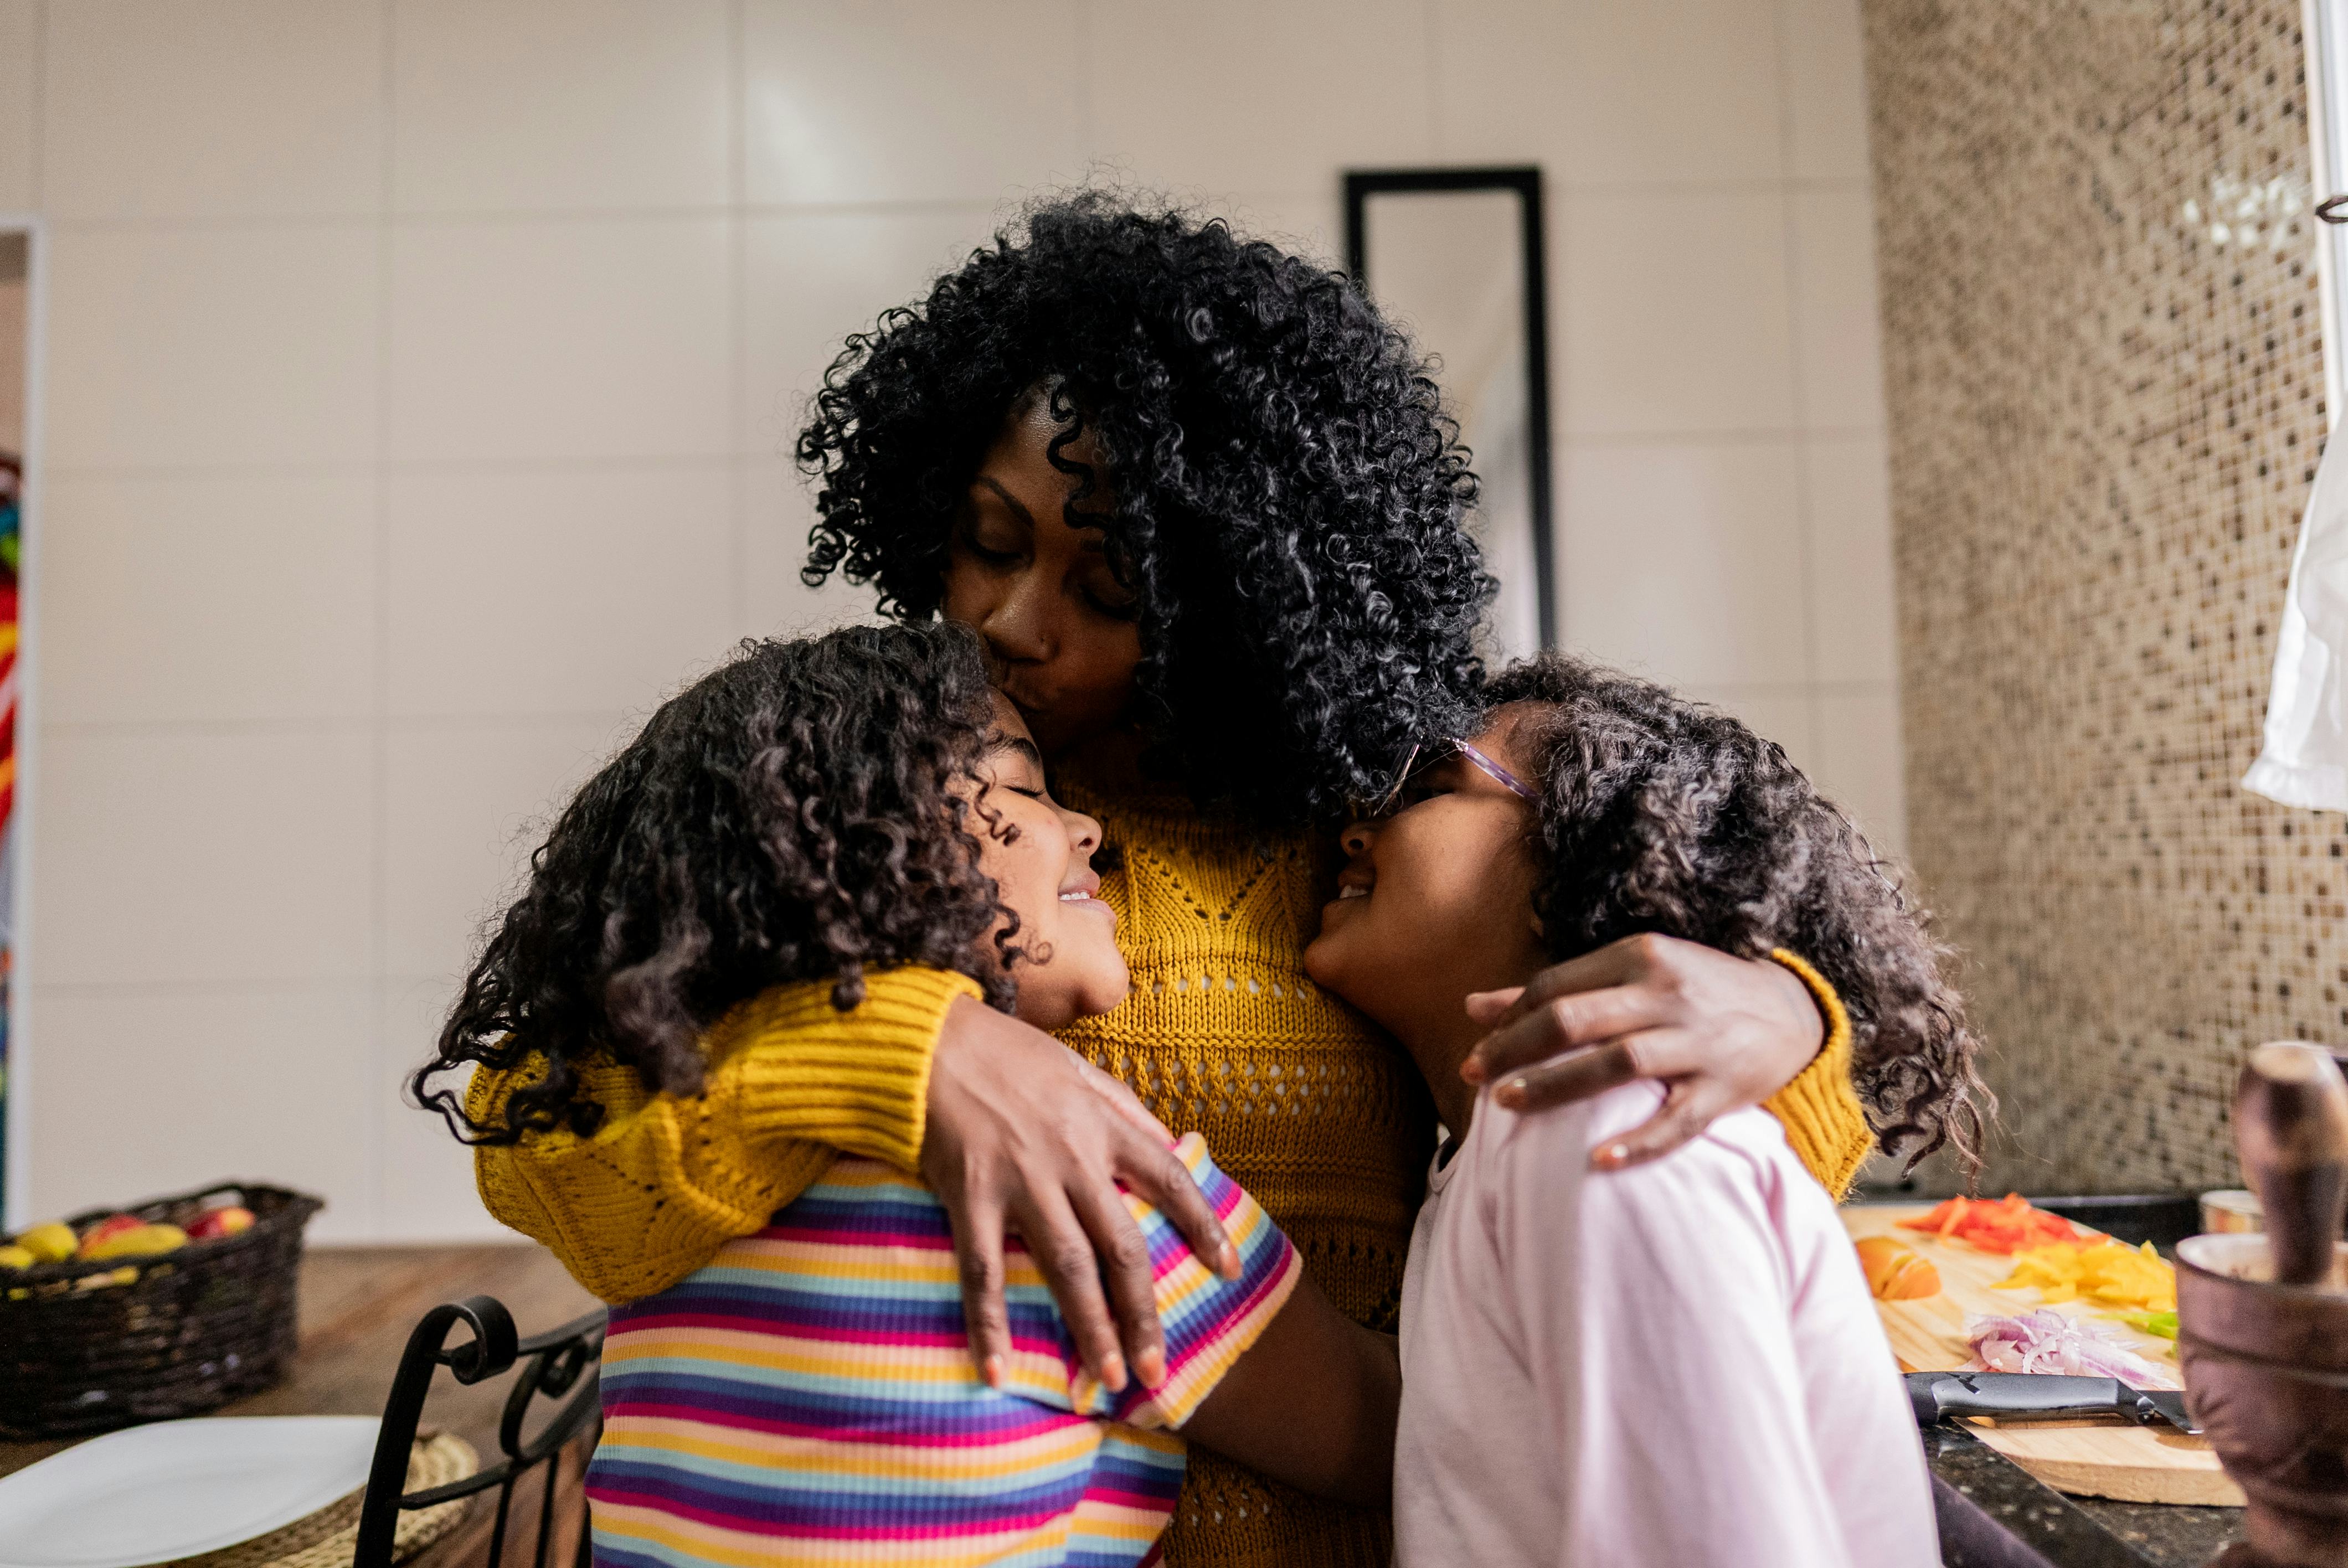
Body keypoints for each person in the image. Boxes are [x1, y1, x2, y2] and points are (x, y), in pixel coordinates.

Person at [439, 193, 1875, 1568]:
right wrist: (906, 1052)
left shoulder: (1365, 844)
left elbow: (1680, 1200)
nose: (1014, 622)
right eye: (988, 544)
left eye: (1110, 588)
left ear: (1243, 596)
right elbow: (536, 1141)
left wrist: (1784, 1020)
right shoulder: (873, 825)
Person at [425, 625, 1399, 1568]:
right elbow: (1378, 1435)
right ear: (848, 846)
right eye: (1023, 787)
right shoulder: (1086, 1175)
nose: (1087, 828)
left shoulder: (688, 1177)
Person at [1303, 654, 1980, 1568]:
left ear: (1581, 857)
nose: (1355, 828)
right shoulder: (1513, 1136)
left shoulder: (1601, 1129)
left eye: (1430, 784)